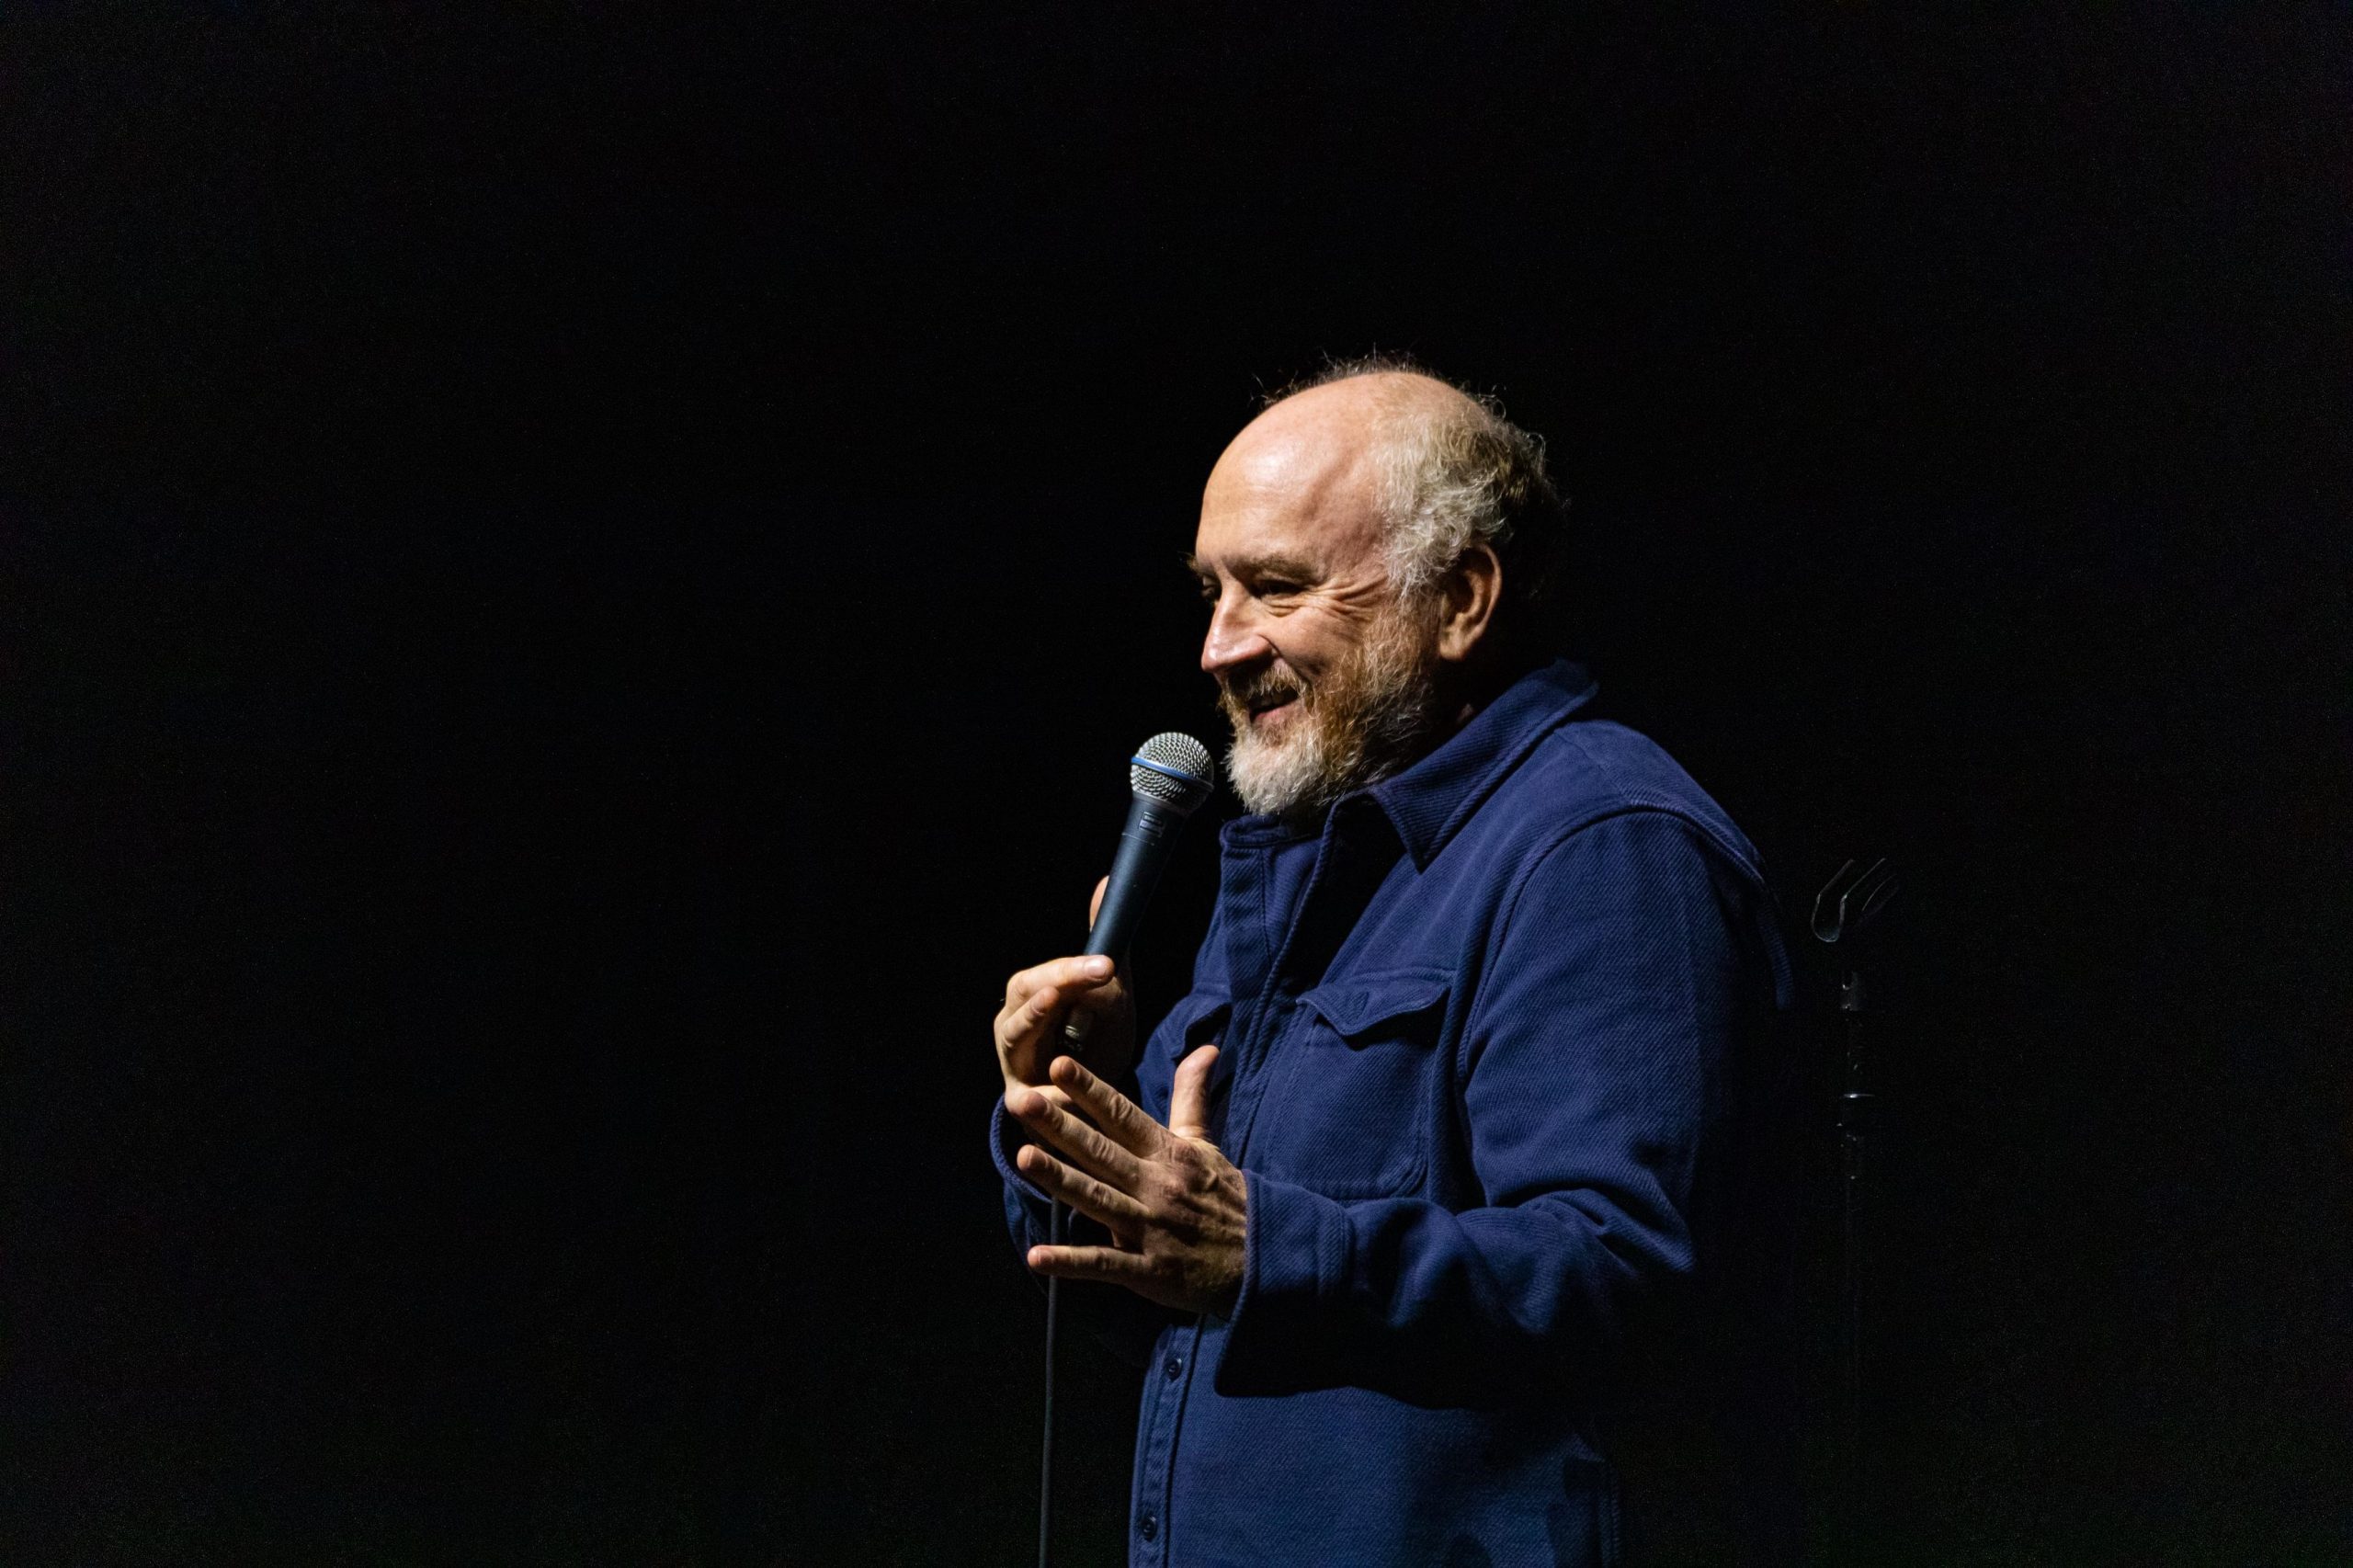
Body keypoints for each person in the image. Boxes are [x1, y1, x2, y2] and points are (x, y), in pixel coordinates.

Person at [991, 358, 1800, 1566]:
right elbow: (1158, 1275)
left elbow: (1624, 1274)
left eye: (1276, 587)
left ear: (1461, 599)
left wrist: (1265, 1251)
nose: (1218, 646)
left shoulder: (1603, 845)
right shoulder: (1308, 849)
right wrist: (1084, 1111)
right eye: (1212, 591)